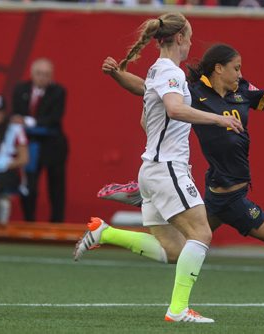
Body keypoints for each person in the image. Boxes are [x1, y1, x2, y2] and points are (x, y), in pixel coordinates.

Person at [75, 43, 264, 315]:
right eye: (236, 67)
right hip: (231, 199)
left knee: (175, 250)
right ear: (219, 68)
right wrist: (117, 75)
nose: (240, 73)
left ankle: (107, 232)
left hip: (215, 195)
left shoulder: (243, 90)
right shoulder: (195, 94)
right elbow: (145, 87)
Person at [76, 14, 243, 323]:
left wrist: (118, 76)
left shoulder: (157, 70)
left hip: (151, 169)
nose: (192, 42)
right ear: (179, 38)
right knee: (202, 232)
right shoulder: (171, 73)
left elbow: (146, 113)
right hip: (168, 168)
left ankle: (105, 233)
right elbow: (175, 109)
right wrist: (221, 119)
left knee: (174, 251)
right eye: (190, 36)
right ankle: (178, 310)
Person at [12, 58, 68, 223]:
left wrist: (29, 122)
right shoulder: (20, 89)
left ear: (51, 76)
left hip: (53, 146)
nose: (42, 77)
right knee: (29, 186)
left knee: (56, 187)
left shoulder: (59, 91)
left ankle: (57, 225)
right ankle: (29, 222)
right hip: (30, 145)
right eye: (39, 74)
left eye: (46, 74)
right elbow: (16, 115)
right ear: (32, 74)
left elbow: (54, 118)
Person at [0, 95, 29, 243]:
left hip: (8, 173)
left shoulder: (15, 130)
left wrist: (3, 164)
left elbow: (24, 158)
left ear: (5, 113)